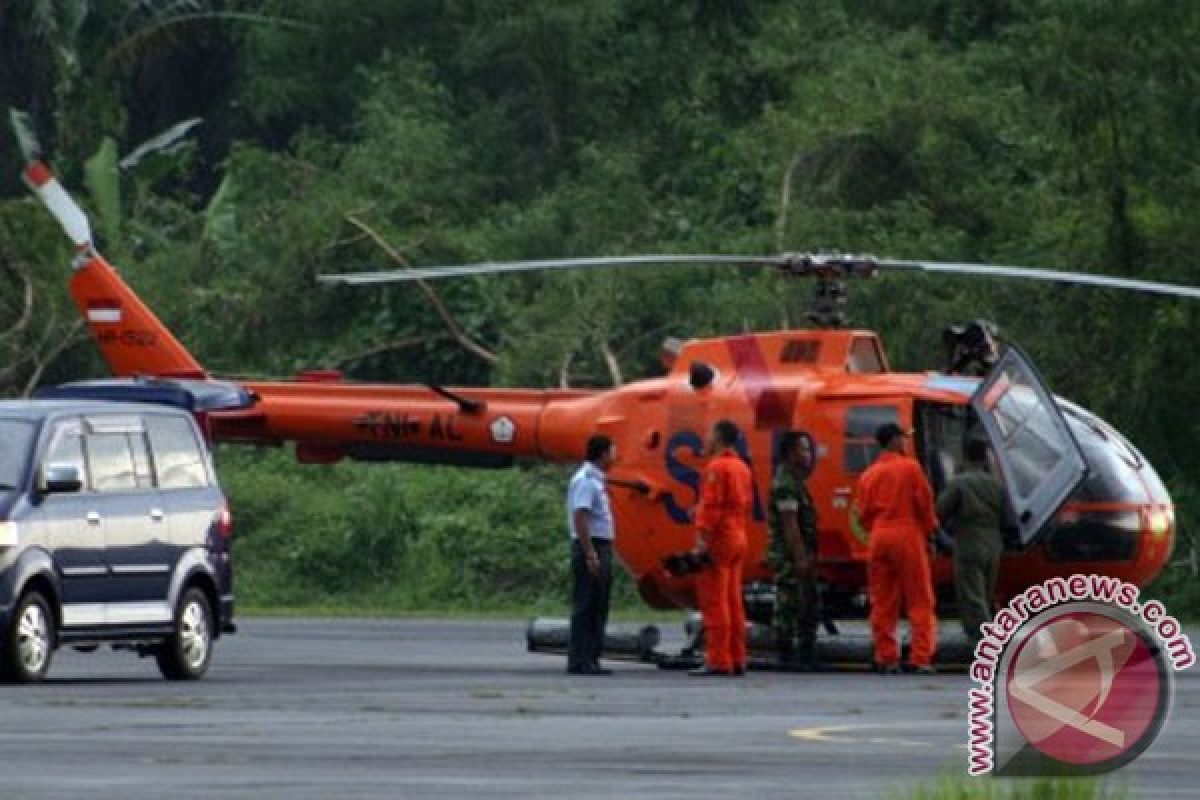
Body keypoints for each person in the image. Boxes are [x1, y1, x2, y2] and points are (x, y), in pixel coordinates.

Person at [854, 423, 939, 675]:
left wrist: (878, 527)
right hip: (907, 533)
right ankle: (920, 657)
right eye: (902, 438)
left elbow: (862, 514)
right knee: (919, 598)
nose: (904, 442)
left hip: (879, 535)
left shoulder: (868, 474)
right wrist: (930, 531)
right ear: (894, 440)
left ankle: (885, 656)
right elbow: (924, 502)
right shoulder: (910, 468)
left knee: (882, 599)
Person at [691, 419, 755, 676]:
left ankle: (718, 659)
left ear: (718, 438)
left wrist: (701, 540)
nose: (705, 439)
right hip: (739, 535)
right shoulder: (742, 467)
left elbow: (711, 507)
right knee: (733, 600)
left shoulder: (717, 468)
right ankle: (738, 657)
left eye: (709, 434)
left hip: (720, 537)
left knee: (714, 601)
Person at [936, 438, 1006, 645]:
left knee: (972, 595)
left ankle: (985, 640)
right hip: (994, 542)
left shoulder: (960, 483)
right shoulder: (997, 484)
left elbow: (940, 511)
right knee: (986, 592)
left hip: (969, 541)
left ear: (964, 455)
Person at [768, 432, 821, 669]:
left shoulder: (795, 481)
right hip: (789, 555)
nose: (808, 455)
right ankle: (787, 653)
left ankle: (805, 652)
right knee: (790, 602)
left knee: (808, 602)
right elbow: (790, 524)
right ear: (790, 453)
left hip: (801, 552)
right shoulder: (785, 485)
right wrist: (800, 558)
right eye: (803, 449)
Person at [566, 434, 616, 675]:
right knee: (586, 604)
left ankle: (591, 657)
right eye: (612, 451)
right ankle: (580, 659)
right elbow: (580, 516)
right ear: (603, 454)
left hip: (600, 544)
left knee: (598, 604)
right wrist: (590, 553)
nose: (614, 456)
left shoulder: (597, 480)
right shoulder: (586, 480)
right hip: (593, 545)